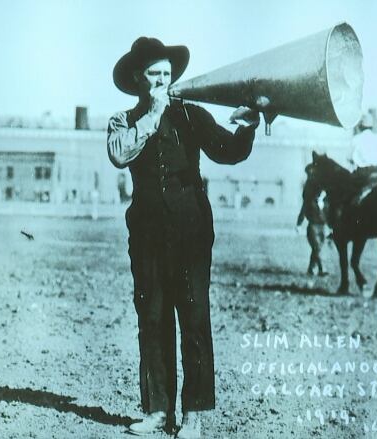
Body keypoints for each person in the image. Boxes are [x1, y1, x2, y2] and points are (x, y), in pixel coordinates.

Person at [107, 36, 260, 438]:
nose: (162, 81)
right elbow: (119, 154)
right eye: (154, 75)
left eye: (167, 74)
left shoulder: (191, 115)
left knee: (193, 319)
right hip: (146, 236)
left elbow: (227, 151)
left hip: (191, 234)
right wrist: (151, 115)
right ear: (138, 79)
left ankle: (194, 416)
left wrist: (247, 127)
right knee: (152, 319)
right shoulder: (123, 121)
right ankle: (158, 412)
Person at [349, 108, 377, 200]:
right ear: (372, 126)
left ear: (360, 126)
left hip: (363, 176)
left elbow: (350, 158)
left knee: (349, 198)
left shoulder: (356, 139)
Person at [296, 178, 328, 276]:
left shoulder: (326, 203)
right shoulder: (309, 202)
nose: (321, 194)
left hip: (323, 227)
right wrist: (298, 225)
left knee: (316, 249)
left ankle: (310, 269)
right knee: (317, 247)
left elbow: (329, 216)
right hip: (313, 226)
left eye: (323, 192)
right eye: (320, 192)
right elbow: (302, 212)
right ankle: (322, 269)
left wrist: (331, 228)